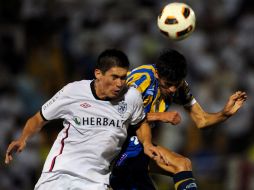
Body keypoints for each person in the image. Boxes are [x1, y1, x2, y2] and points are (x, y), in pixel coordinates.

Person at [5, 49, 164, 190]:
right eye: (114, 77)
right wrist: (23, 138)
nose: (119, 84)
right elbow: (38, 118)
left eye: (123, 78)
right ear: (98, 74)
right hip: (58, 173)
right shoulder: (73, 91)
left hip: (95, 180)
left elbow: (140, 122)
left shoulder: (132, 97)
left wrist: (147, 143)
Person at [110, 49, 247, 190]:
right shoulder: (141, 79)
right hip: (115, 143)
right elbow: (117, 115)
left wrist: (225, 114)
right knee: (181, 164)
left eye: (176, 84)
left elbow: (202, 120)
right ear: (157, 74)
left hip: (138, 144)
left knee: (182, 165)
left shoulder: (178, 86)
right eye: (168, 84)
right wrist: (160, 116)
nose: (172, 90)